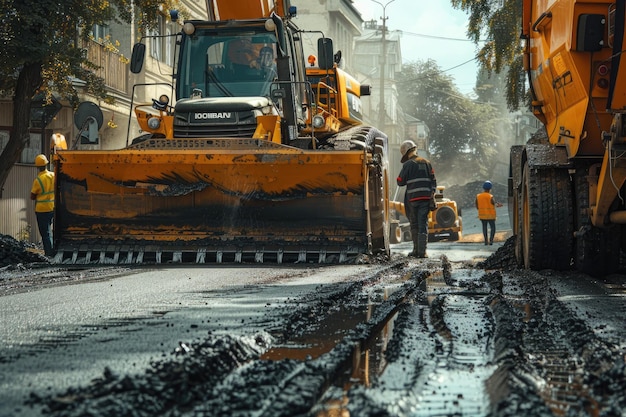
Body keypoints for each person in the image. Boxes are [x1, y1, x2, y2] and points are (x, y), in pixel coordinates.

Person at [397, 140, 437, 258]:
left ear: (405, 153)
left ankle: (415, 250)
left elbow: (400, 182)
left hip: (413, 200)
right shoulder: (427, 163)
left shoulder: (407, 165)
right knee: (423, 224)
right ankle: (422, 252)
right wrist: (431, 194)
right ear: (414, 149)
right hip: (425, 199)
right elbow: (433, 181)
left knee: (414, 224)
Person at [30, 154, 55, 257]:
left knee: (45, 233)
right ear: (46, 164)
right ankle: (54, 250)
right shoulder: (53, 175)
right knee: (52, 231)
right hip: (52, 207)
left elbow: (32, 196)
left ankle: (49, 254)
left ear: (37, 167)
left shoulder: (38, 180)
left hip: (41, 210)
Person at [475, 180, 503, 245]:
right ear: (490, 188)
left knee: (484, 227)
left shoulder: (478, 196)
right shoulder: (490, 196)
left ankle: (485, 241)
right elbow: (494, 203)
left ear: (483, 188)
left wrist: (481, 210)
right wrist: (499, 205)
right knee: (493, 227)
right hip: (491, 215)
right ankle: (491, 241)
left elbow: (477, 205)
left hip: (482, 215)